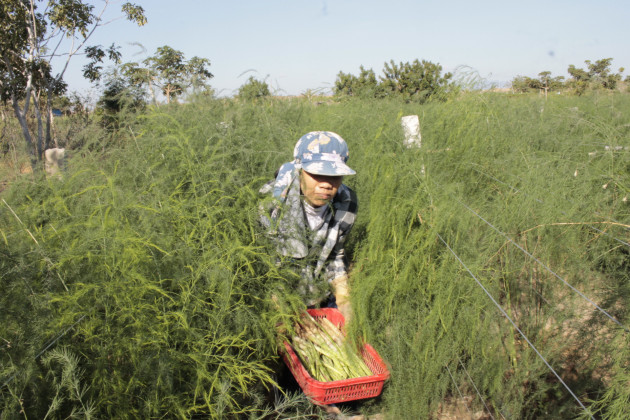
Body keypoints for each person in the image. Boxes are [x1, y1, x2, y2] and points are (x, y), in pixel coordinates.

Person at [259, 131, 358, 321]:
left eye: (335, 175)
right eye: (317, 173)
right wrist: (279, 310)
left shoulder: (347, 202)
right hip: (280, 297)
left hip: (318, 293)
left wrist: (344, 298)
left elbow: (335, 255)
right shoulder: (271, 204)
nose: (327, 184)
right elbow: (263, 263)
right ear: (298, 170)